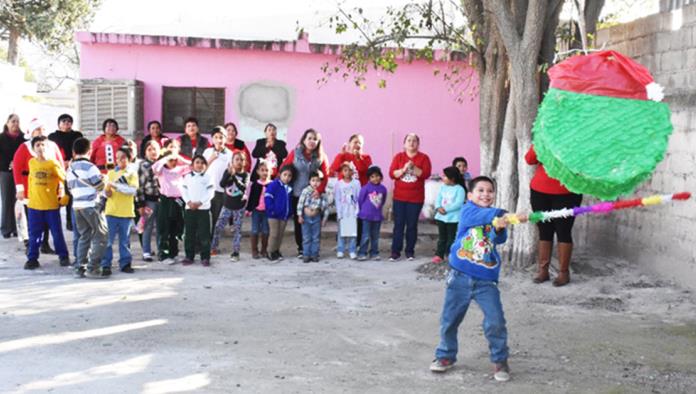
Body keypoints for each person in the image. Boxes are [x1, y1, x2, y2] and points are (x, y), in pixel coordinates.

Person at [430, 176, 517, 382]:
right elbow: (483, 215)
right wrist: (504, 214)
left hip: (486, 280)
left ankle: (500, 359)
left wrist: (500, 225)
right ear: (470, 195)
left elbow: (499, 239)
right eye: (481, 190)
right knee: (450, 319)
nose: (486, 194)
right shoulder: (468, 211)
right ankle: (445, 355)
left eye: (490, 191)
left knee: (495, 320)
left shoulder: (493, 216)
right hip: (459, 276)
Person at [525, 145, 583, 286]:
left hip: (568, 192)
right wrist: (541, 142)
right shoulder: (544, 137)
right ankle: (543, 271)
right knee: (544, 230)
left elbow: (582, 164)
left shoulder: (579, 139)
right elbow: (530, 159)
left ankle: (563, 272)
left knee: (563, 231)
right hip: (539, 190)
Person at [13, 118, 65, 254]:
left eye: (42, 129)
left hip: (49, 190)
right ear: (31, 132)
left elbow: (60, 165)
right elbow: (17, 168)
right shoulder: (24, 147)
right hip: (30, 189)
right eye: (37, 129)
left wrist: (61, 187)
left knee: (50, 220)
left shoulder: (52, 146)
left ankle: (45, 244)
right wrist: (20, 189)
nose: (40, 132)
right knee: (32, 220)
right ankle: (31, 245)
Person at [281, 128, 329, 258]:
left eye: (315, 139)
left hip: (314, 196)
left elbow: (326, 175)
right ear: (303, 139)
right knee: (299, 222)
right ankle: (301, 248)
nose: (312, 141)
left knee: (313, 223)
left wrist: (319, 190)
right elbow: (284, 169)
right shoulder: (295, 154)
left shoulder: (321, 157)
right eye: (309, 138)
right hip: (297, 193)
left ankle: (313, 250)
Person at [24, 136, 70, 269]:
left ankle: (63, 256)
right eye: (37, 145)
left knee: (56, 233)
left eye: (43, 145)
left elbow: (65, 180)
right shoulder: (31, 163)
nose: (40, 147)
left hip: (51, 206)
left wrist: (64, 196)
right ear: (33, 149)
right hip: (34, 206)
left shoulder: (53, 163)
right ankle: (32, 258)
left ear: (47, 147)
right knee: (34, 234)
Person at [67, 137, 107, 278]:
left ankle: (80, 267)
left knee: (84, 236)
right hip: (91, 205)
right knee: (101, 235)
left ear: (74, 152)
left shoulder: (70, 169)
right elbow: (100, 186)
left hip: (77, 206)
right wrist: (104, 180)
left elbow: (70, 188)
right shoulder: (91, 167)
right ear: (89, 151)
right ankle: (93, 267)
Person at [389, 133, 432, 261]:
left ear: (418, 144)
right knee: (398, 225)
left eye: (414, 141)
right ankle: (395, 252)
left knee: (412, 225)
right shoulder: (398, 157)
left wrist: (413, 167)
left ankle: (410, 251)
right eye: (409, 140)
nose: (411, 143)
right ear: (404, 143)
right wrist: (403, 169)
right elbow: (392, 174)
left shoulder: (424, 158)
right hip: (399, 198)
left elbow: (425, 174)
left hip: (416, 199)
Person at [101, 146, 139, 276]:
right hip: (111, 211)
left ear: (129, 159)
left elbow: (132, 190)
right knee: (108, 240)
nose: (120, 160)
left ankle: (125, 263)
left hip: (126, 212)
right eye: (117, 158)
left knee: (124, 241)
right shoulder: (111, 174)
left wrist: (115, 185)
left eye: (123, 158)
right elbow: (107, 194)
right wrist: (107, 190)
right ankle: (106, 264)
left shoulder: (132, 174)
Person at [330, 133, 373, 243]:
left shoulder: (366, 158)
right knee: (346, 216)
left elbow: (366, 171)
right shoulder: (344, 156)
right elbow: (334, 168)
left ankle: (357, 242)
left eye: (360, 142)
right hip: (345, 193)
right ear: (349, 144)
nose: (357, 144)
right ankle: (346, 243)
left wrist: (358, 158)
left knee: (359, 218)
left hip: (361, 194)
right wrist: (341, 155)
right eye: (355, 142)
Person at [152, 149, 190, 263]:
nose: (173, 162)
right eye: (171, 160)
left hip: (178, 200)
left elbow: (192, 165)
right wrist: (166, 158)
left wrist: (179, 157)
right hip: (165, 200)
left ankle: (173, 252)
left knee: (176, 226)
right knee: (165, 227)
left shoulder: (179, 169)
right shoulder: (161, 170)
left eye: (175, 160)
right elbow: (154, 167)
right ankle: (163, 254)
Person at [210, 152, 249, 261]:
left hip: (239, 208)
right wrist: (229, 174)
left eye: (241, 160)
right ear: (232, 162)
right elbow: (222, 184)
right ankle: (213, 248)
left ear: (244, 162)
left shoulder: (246, 175)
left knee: (237, 230)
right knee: (218, 227)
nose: (239, 162)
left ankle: (236, 252)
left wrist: (234, 177)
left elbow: (243, 188)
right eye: (237, 159)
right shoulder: (227, 172)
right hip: (226, 206)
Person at [48, 113, 83, 232]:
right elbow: (50, 152)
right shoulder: (52, 136)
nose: (66, 123)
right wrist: (62, 162)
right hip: (57, 167)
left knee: (71, 195)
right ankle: (54, 221)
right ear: (59, 124)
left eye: (69, 121)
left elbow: (80, 149)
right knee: (57, 195)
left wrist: (71, 161)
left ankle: (70, 220)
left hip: (73, 167)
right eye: (63, 121)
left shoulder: (77, 135)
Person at [181, 155, 215, 267]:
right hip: (190, 209)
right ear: (192, 165)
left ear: (205, 165)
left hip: (203, 210)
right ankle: (189, 256)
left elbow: (210, 193)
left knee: (204, 234)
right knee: (189, 234)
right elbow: (184, 191)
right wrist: (189, 202)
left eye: (202, 163)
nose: (199, 165)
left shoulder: (208, 177)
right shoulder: (187, 177)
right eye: (197, 162)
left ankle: (205, 257)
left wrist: (200, 202)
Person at [432, 167, 467, 264]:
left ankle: (450, 254)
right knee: (442, 237)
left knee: (451, 238)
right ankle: (439, 255)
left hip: (453, 218)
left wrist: (446, 209)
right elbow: (438, 198)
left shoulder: (460, 189)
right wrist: (438, 207)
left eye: (445, 176)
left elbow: (458, 203)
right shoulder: (443, 187)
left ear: (452, 178)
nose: (443, 178)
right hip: (441, 217)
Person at [0, 114, 25, 239]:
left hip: (20, 173)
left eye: (17, 121)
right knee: (6, 200)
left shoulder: (23, 139)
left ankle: (17, 228)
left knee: (18, 200)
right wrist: (8, 164)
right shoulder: (1, 138)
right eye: (13, 121)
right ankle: (6, 228)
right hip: (5, 171)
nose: (15, 124)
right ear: (7, 123)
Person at [203, 126, 233, 233]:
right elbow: (201, 170)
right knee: (205, 218)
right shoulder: (207, 152)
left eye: (221, 137)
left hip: (220, 191)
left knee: (217, 218)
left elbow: (231, 173)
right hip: (207, 189)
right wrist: (211, 158)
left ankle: (213, 245)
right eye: (216, 137)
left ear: (226, 138)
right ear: (212, 139)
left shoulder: (230, 154)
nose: (219, 140)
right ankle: (203, 244)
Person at [136, 140, 161, 262]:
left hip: (162, 199)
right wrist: (140, 204)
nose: (153, 152)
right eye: (149, 149)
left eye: (155, 149)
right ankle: (146, 251)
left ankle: (161, 250)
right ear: (145, 152)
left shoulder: (163, 164)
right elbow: (139, 186)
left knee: (161, 225)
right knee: (148, 226)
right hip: (149, 200)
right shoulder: (143, 165)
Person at [297, 171, 329, 263]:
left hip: (316, 218)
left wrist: (324, 219)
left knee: (316, 237)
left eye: (318, 181)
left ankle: (314, 254)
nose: (315, 183)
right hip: (306, 218)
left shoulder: (322, 193)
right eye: (313, 180)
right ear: (309, 181)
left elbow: (326, 207)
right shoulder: (305, 191)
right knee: (306, 237)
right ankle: (306, 254)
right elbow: (300, 204)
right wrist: (300, 215)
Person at [357, 166, 387, 261]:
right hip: (366, 216)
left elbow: (382, 201)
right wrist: (364, 211)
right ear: (369, 178)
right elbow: (360, 200)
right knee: (365, 235)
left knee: (375, 236)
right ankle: (362, 252)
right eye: (372, 177)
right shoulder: (365, 188)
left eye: (377, 176)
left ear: (381, 176)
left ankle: (374, 253)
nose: (375, 178)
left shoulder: (383, 189)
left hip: (377, 216)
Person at [264, 165, 294, 261]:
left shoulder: (289, 188)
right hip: (273, 215)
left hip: (284, 215)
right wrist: (271, 210)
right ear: (280, 174)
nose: (287, 177)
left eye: (289, 176)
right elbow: (268, 197)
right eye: (285, 175)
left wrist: (290, 212)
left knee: (280, 234)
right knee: (274, 234)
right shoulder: (274, 185)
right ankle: (270, 251)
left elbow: (289, 201)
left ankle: (276, 250)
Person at [334, 163, 361, 259]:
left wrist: (357, 210)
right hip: (343, 210)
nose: (347, 172)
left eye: (349, 170)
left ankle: (352, 250)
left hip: (352, 210)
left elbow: (358, 197)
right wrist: (339, 212)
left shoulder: (356, 183)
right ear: (342, 172)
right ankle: (340, 249)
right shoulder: (339, 184)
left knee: (352, 231)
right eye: (345, 170)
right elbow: (337, 198)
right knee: (342, 231)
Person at [246, 160, 272, 259]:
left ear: (271, 172)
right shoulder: (255, 184)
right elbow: (251, 197)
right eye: (262, 170)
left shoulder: (272, 184)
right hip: (256, 210)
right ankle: (254, 250)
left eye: (267, 170)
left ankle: (264, 250)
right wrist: (249, 209)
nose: (265, 172)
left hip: (267, 211)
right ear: (258, 172)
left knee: (266, 230)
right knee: (255, 230)